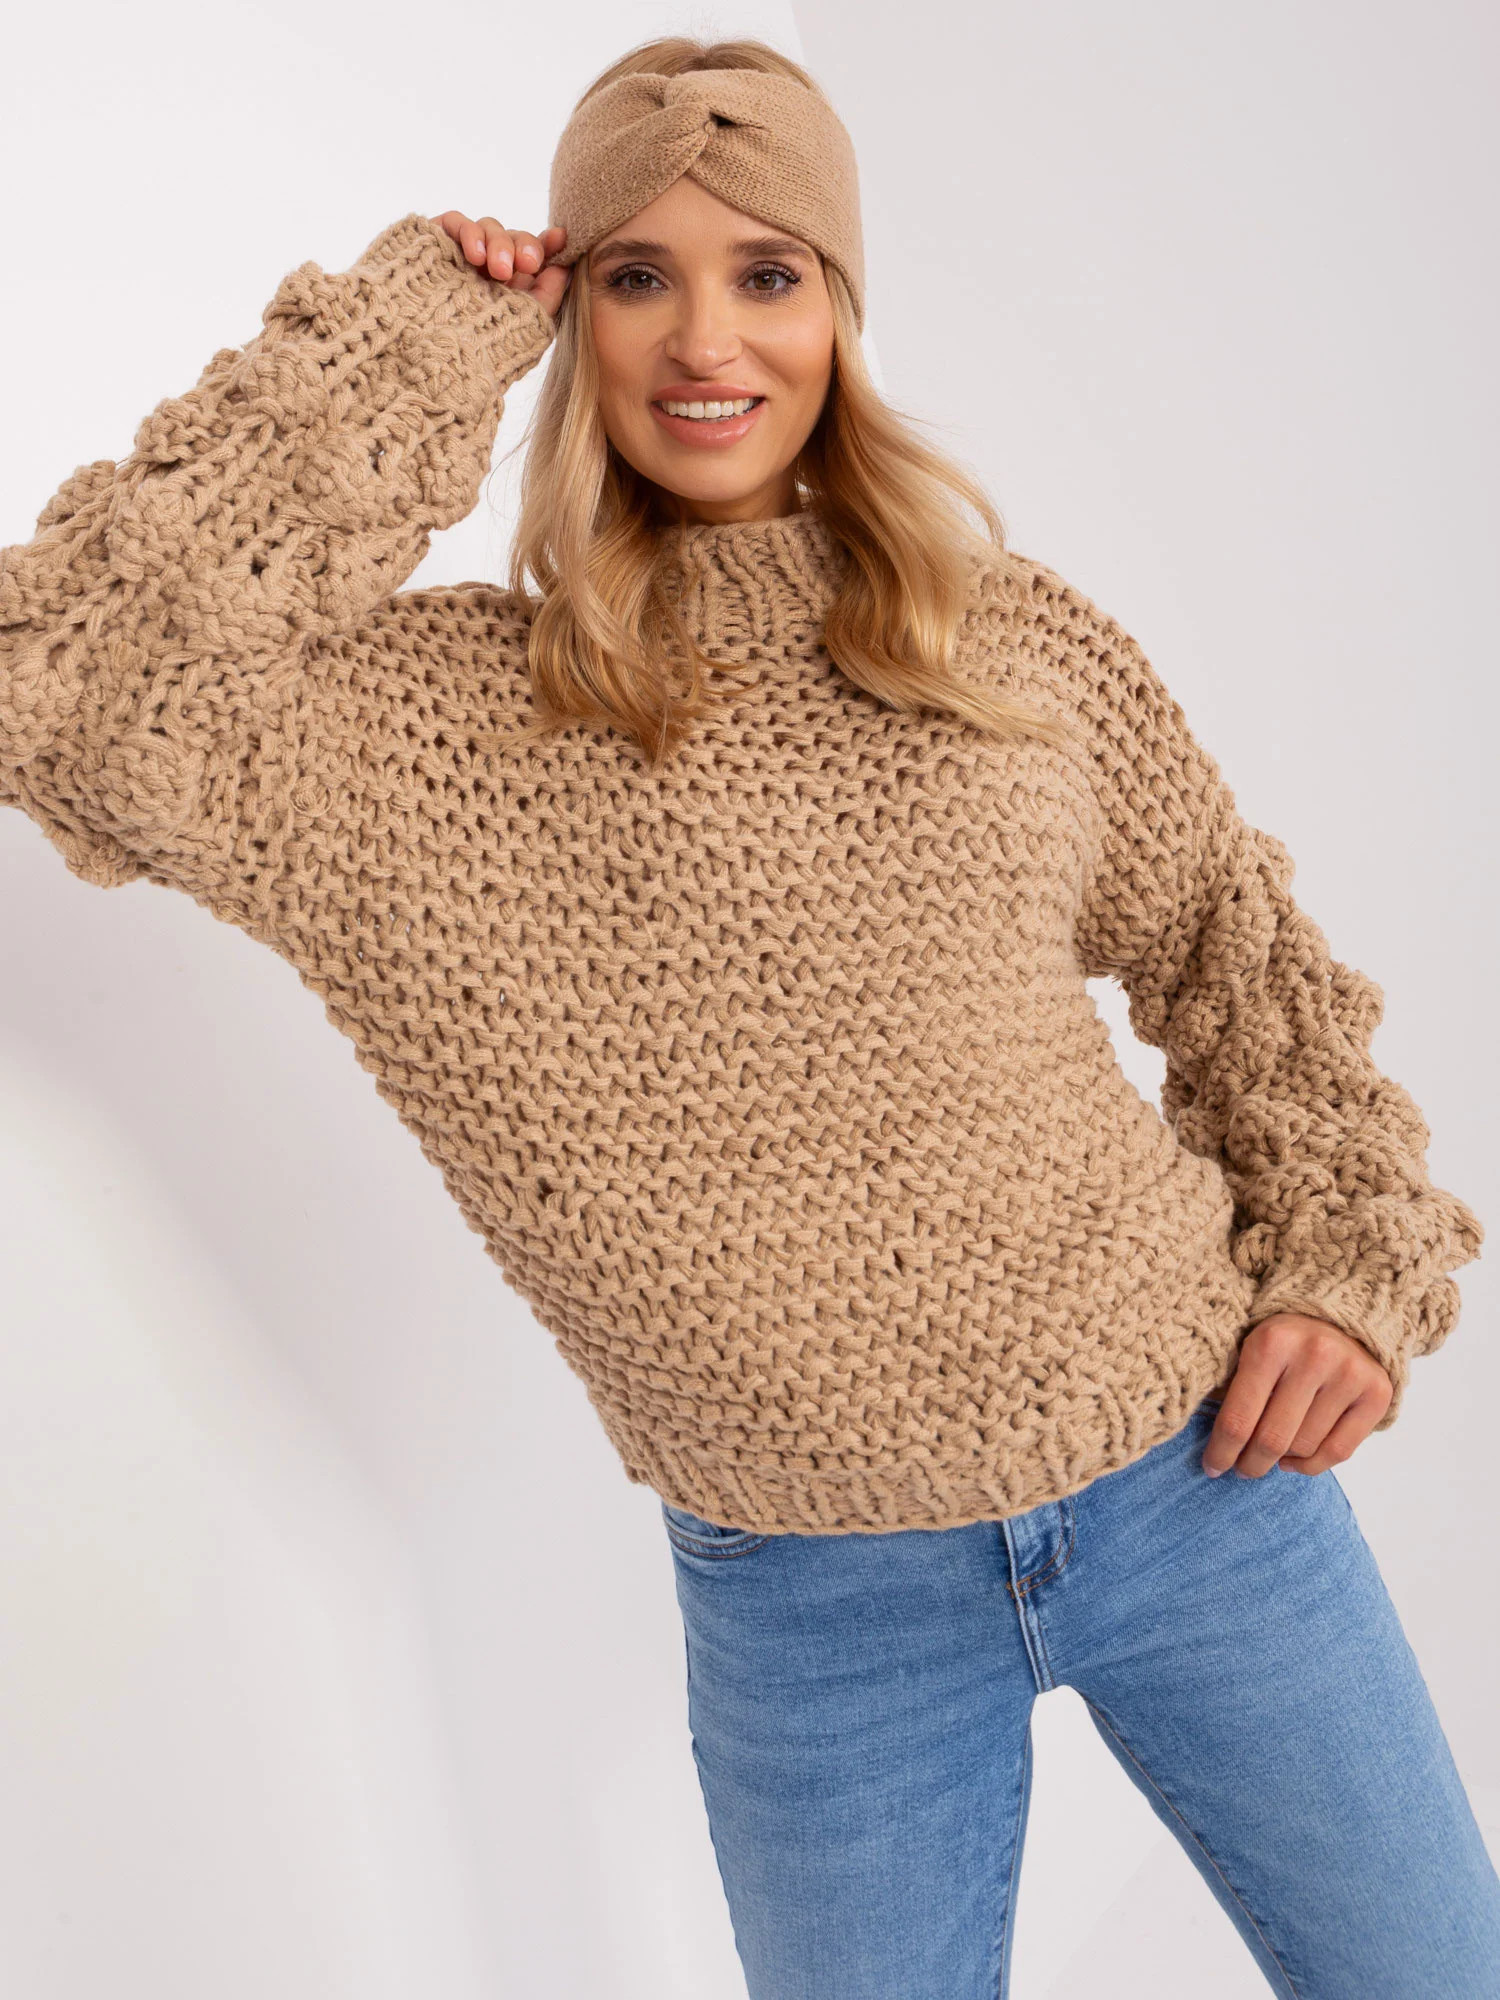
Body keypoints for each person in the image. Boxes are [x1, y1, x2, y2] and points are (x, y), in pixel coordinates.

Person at [2, 29, 1495, 1999]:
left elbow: (1237, 949)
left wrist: (1348, 1263)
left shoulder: (1010, 645)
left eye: (768, 271)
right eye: (638, 274)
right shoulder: (436, 730)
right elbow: (67, 689)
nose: (707, 338)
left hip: (1204, 1491)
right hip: (819, 1617)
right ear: (573, 311)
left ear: (838, 310)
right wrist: (415, 337)